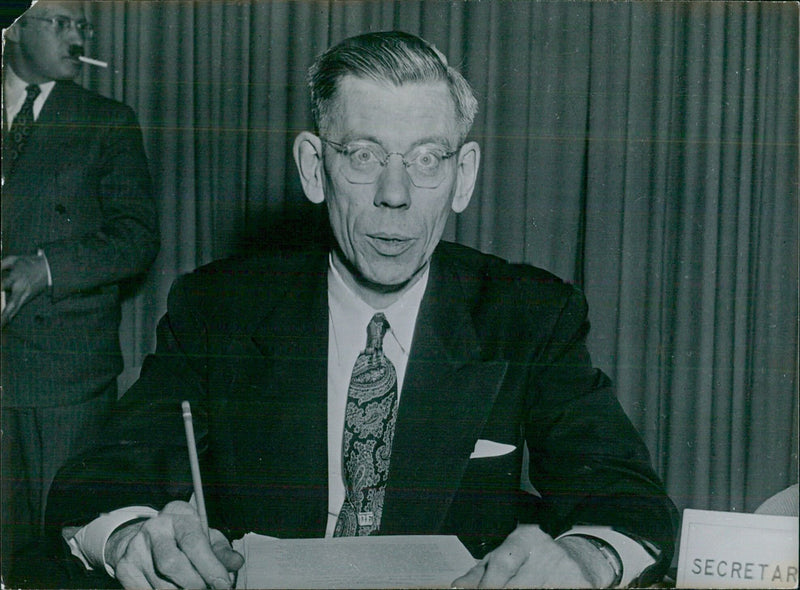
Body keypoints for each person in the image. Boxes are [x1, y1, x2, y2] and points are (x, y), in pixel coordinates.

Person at [46, 31, 677, 589]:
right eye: (365, 156)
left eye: (428, 159)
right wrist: (134, 538)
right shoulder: (220, 310)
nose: (395, 196)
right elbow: (98, 482)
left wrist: (587, 559)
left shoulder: (529, 316)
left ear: (464, 177)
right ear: (315, 169)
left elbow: (628, 498)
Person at [0, 0, 159, 580]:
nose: (77, 36)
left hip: (66, 381)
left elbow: (137, 238)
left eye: (81, 26)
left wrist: (46, 268)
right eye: (60, 22)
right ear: (13, 28)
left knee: (64, 548)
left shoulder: (106, 120)